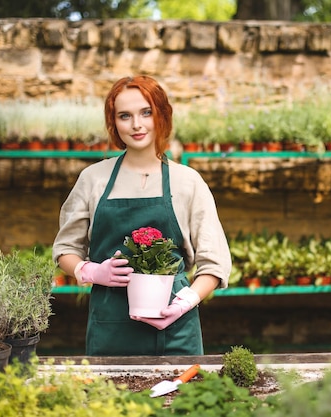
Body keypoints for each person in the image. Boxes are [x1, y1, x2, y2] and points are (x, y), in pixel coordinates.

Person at [52, 75, 231, 356]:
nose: (136, 124)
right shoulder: (93, 179)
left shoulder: (188, 182)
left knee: (181, 400)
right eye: (125, 116)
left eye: (146, 112)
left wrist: (185, 302)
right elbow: (65, 250)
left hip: (175, 333)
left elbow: (214, 263)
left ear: (161, 115)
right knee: (111, 400)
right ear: (114, 123)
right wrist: (91, 271)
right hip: (110, 327)